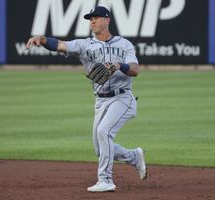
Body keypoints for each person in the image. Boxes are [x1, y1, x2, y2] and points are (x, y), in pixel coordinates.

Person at [26, 6, 147, 192]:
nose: (92, 21)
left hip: (123, 98)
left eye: (96, 18)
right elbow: (59, 45)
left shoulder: (125, 44)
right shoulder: (84, 45)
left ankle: (105, 180)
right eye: (90, 18)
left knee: (104, 132)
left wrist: (118, 65)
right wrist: (40, 39)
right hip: (101, 101)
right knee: (101, 148)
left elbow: (135, 70)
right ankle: (134, 157)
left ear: (107, 20)